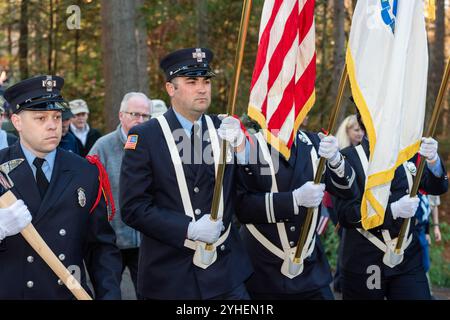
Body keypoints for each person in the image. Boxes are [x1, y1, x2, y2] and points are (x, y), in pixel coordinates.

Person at [120, 47, 257, 300]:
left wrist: (243, 151)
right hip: (171, 276)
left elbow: (248, 190)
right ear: (171, 88)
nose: (202, 88)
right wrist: (188, 229)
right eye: (191, 81)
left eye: (206, 81)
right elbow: (133, 208)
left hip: (225, 274)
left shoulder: (224, 128)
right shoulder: (146, 136)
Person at [0, 75, 122, 299]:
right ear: (17, 122)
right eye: (41, 118)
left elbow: (100, 247)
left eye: (56, 117)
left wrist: (110, 295)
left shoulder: (85, 171)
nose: (52, 125)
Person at [235, 122, 359, 299]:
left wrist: (336, 161)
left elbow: (348, 191)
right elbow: (242, 207)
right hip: (262, 270)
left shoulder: (315, 142)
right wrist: (293, 200)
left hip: (310, 269)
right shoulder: (250, 146)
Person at [335, 113, 448, 300]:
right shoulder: (348, 159)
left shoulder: (407, 154)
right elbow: (345, 215)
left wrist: (433, 160)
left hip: (407, 257)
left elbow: (437, 186)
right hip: (365, 258)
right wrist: (392, 211)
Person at [89, 92, 152, 297]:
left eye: (145, 116)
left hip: (146, 238)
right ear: (121, 115)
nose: (140, 120)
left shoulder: (154, 145)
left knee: (149, 292)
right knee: (109, 293)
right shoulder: (102, 146)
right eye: (135, 114)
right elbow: (88, 191)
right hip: (111, 239)